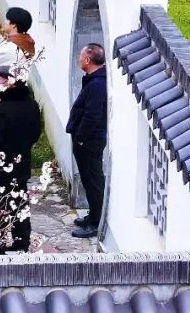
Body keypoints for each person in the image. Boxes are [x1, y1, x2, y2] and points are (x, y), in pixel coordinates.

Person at [0, 65, 42, 254]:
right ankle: (21, 241)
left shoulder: (1, 109)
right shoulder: (31, 105)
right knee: (20, 202)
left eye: (2, 79)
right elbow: (35, 132)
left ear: (11, 83)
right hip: (21, 161)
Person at [66, 43, 108, 239]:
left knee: (93, 182)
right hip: (86, 140)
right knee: (88, 179)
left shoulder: (97, 85)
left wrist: (81, 138)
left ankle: (95, 222)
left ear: (88, 60)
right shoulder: (94, 80)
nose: (79, 59)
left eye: (81, 56)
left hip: (89, 142)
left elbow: (92, 116)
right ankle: (92, 214)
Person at [0, 7, 36, 75]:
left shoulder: (12, 48)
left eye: (7, 19)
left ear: (14, 25)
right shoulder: (22, 41)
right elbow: (2, 53)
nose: (5, 21)